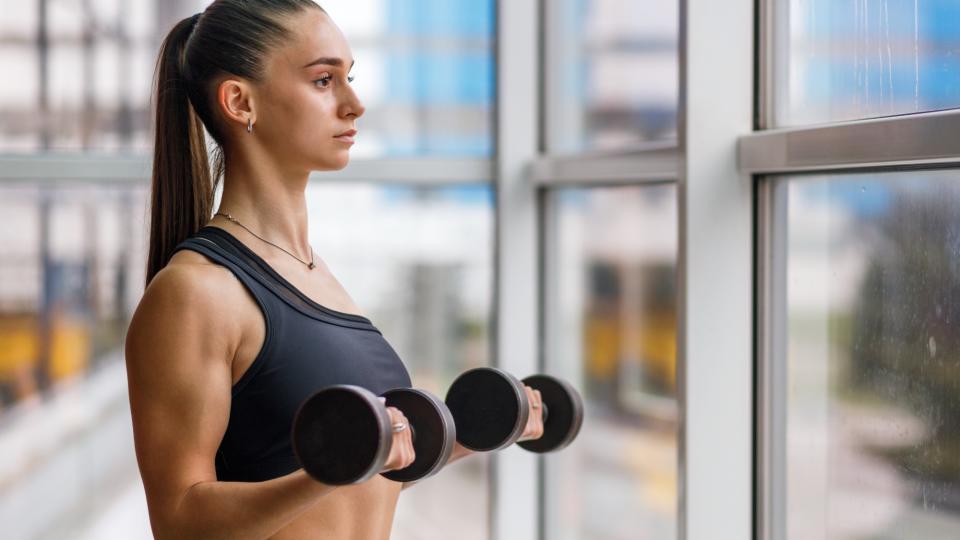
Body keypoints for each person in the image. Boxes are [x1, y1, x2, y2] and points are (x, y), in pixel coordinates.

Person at [123, 2, 545, 539]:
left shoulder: (316, 276)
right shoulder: (196, 292)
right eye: (324, 80)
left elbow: (356, 480)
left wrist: (470, 432)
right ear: (239, 101)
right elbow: (180, 520)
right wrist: (329, 469)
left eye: (349, 78)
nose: (355, 104)